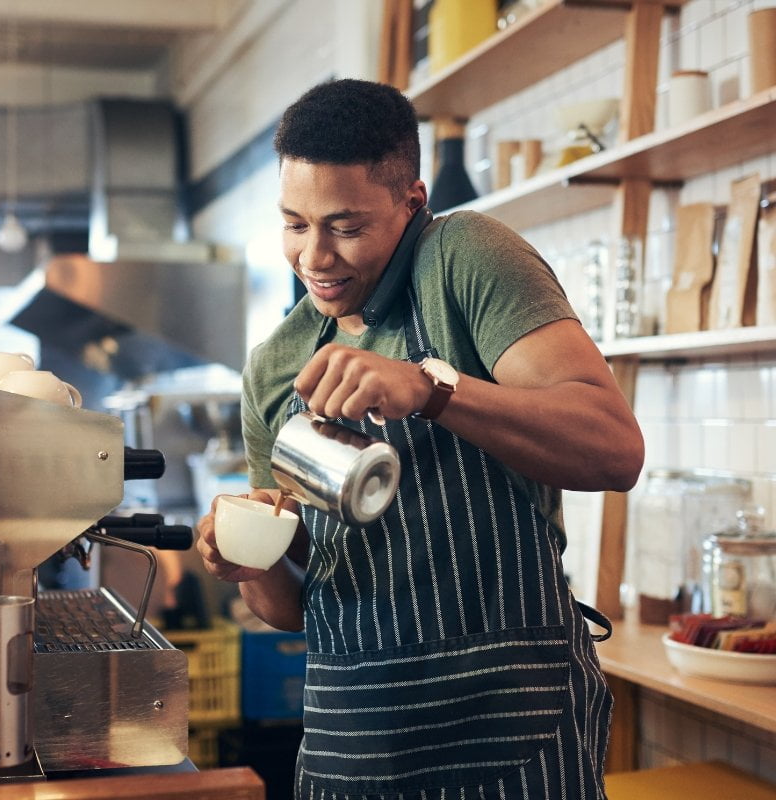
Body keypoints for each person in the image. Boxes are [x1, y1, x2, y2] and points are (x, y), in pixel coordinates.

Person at [195, 78, 644, 800]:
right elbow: (291, 607)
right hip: (355, 744)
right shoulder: (276, 364)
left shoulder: (463, 257)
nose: (314, 256)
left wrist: (434, 390)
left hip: (509, 730)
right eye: (294, 223)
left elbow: (615, 448)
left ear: (412, 201)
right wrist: (245, 560)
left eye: (344, 226)